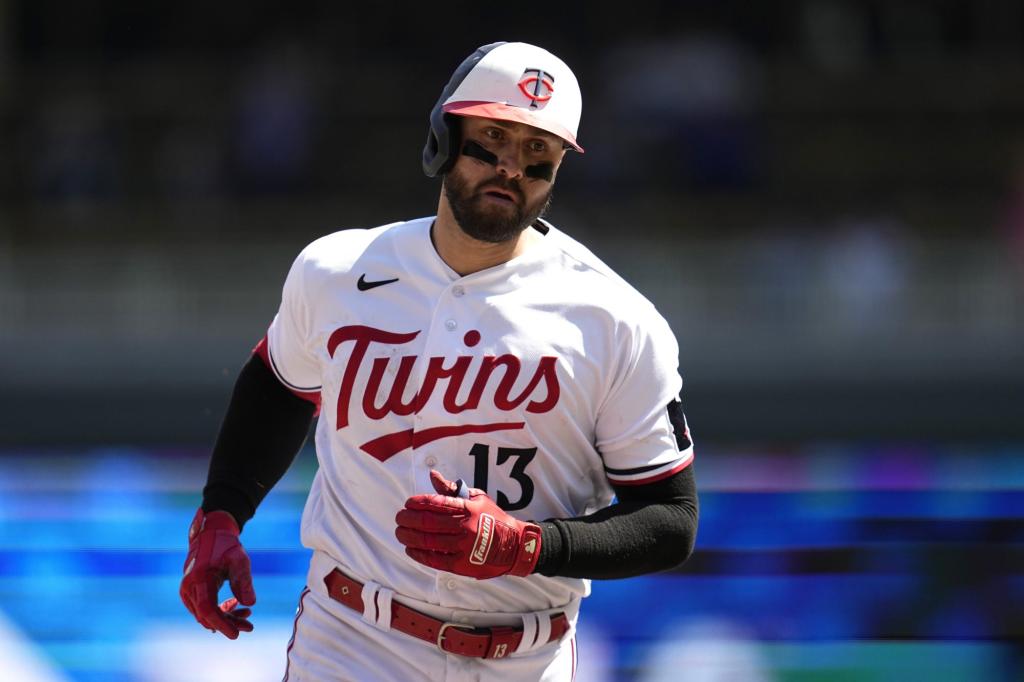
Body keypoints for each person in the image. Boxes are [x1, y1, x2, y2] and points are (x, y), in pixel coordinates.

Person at [179, 41, 699, 681]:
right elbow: (279, 383)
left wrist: (526, 545)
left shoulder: (615, 320)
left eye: (538, 153)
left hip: (525, 655)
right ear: (443, 138)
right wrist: (222, 511)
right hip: (352, 639)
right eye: (493, 137)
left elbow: (670, 520)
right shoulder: (339, 271)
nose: (511, 167)